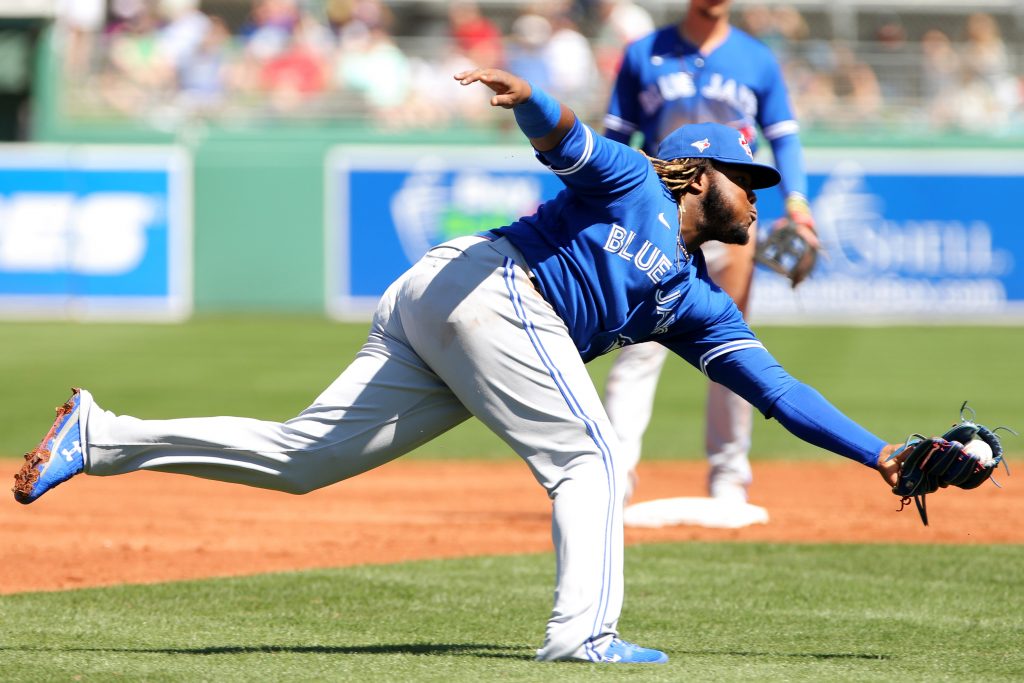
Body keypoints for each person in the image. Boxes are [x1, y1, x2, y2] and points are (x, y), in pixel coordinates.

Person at [13, 68, 906, 664]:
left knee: (303, 458)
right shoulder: (638, 179)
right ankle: (584, 633)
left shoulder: (694, 299)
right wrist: (527, 95)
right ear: (697, 173)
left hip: (459, 310)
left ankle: (101, 436)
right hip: (487, 286)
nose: (758, 194)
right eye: (745, 175)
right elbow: (563, 137)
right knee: (588, 456)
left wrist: (883, 457)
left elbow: (779, 391)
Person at [601, 0, 818, 507]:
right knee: (637, 350)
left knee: (733, 351)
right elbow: (614, 137)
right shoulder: (642, 54)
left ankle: (728, 475)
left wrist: (799, 208)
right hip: (660, 220)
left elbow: (784, 139)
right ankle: (614, 476)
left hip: (728, 220)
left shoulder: (756, 58)